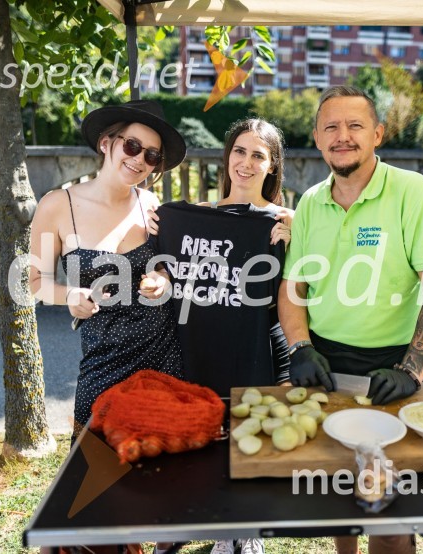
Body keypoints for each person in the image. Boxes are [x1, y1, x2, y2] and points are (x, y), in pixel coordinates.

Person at [278, 86, 423, 554]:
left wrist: (411, 369)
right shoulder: (312, 203)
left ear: (377, 134)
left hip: (391, 367)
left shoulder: (412, 191)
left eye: (355, 126)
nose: (343, 136)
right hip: (324, 361)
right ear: (317, 138)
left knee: (388, 511)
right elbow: (294, 287)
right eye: (331, 127)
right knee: (342, 492)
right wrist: (299, 347)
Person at [148, 118, 292, 554]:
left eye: (258, 155)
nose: (246, 163)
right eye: (240, 151)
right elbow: (162, 274)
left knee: (243, 448)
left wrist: (297, 237)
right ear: (227, 156)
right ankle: (182, 523)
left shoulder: (282, 226)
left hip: (249, 357)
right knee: (190, 449)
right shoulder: (185, 218)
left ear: (272, 166)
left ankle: (240, 533)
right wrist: (162, 236)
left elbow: (287, 306)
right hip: (190, 355)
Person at [29, 99, 186, 441]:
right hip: (103, 362)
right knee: (94, 470)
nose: (139, 159)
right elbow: (34, 281)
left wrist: (162, 279)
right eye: (132, 145)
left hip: (163, 358)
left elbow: (166, 265)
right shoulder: (58, 205)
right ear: (106, 142)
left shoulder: (151, 206)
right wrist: (69, 294)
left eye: (151, 155)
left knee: (165, 473)